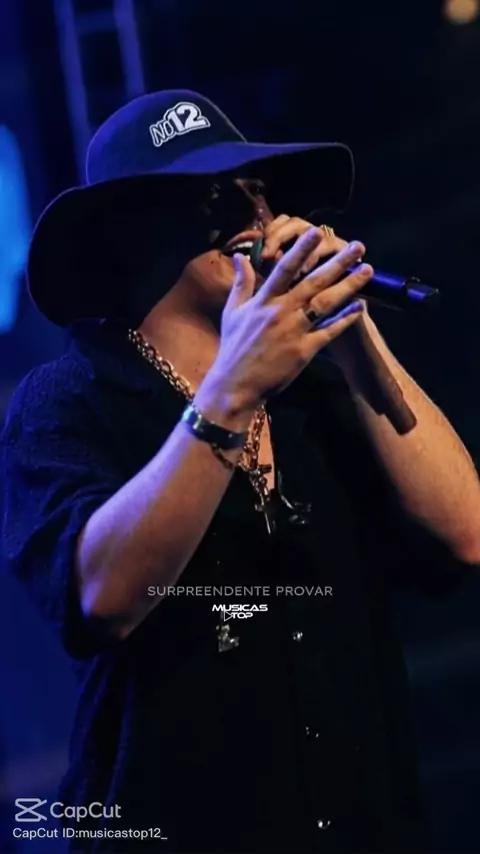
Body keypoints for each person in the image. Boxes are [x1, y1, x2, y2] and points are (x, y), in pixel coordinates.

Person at [2, 89, 479, 854]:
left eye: (257, 190)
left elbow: (467, 533)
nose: (253, 213)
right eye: (211, 195)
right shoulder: (68, 402)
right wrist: (230, 391)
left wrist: (355, 337)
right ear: (130, 232)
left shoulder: (320, 388)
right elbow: (102, 596)